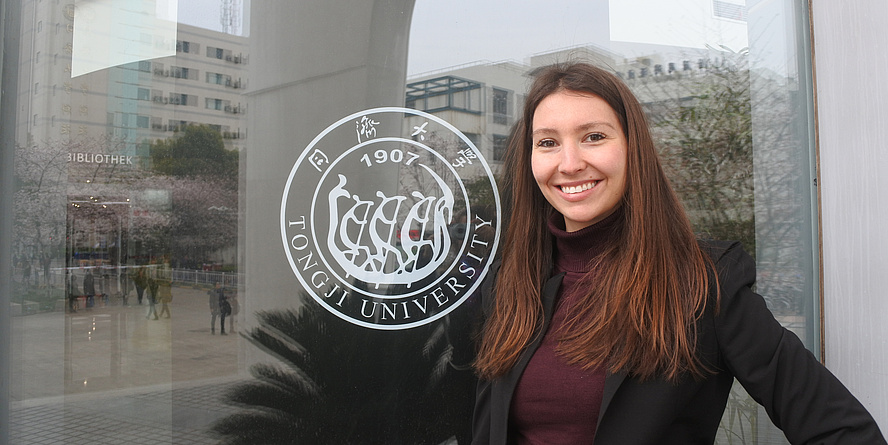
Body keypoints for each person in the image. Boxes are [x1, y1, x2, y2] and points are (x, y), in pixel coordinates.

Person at [470, 63, 886, 444]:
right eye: (547, 142)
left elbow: (843, 431)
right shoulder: (511, 280)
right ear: (529, 160)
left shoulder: (704, 282)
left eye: (593, 136)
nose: (570, 162)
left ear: (634, 148)